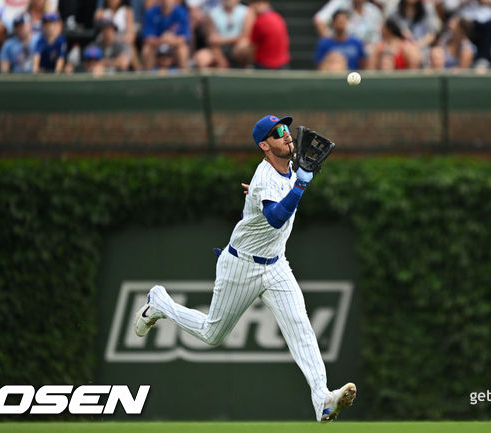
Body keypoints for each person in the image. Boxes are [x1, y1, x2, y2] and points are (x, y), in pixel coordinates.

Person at [134, 114, 357, 423]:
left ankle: (322, 398)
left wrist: (282, 186)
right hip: (242, 266)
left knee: (300, 327)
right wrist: (300, 185)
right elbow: (276, 218)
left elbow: (269, 202)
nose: (287, 135)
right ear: (264, 145)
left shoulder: (290, 170)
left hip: (276, 264)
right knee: (212, 334)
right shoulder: (267, 176)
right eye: (277, 133)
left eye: (286, 129)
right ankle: (159, 302)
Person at [234, 0, 290, 69]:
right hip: (283, 64)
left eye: (252, 4)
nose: (251, 8)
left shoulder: (260, 22)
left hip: (266, 66)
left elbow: (251, 47)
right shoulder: (277, 17)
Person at [193, 0, 249, 68]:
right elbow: (212, 40)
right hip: (219, 49)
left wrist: (222, 40)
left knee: (244, 45)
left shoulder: (247, 12)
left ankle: (245, 71)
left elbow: (246, 36)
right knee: (201, 57)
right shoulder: (212, 14)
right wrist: (219, 57)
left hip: (237, 48)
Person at [141, 0, 191, 71]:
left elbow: (185, 38)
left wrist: (172, 40)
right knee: (147, 50)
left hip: (173, 47)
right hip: (157, 47)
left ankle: (185, 78)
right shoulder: (150, 13)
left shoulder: (181, 12)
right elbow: (147, 38)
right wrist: (161, 40)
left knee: (182, 50)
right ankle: (146, 78)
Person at [94, 0, 139, 70]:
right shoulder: (100, 12)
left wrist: (116, 38)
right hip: (103, 42)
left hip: (121, 42)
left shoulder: (127, 11)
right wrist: (108, 37)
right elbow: (98, 31)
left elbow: (131, 35)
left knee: (130, 48)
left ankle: (138, 71)